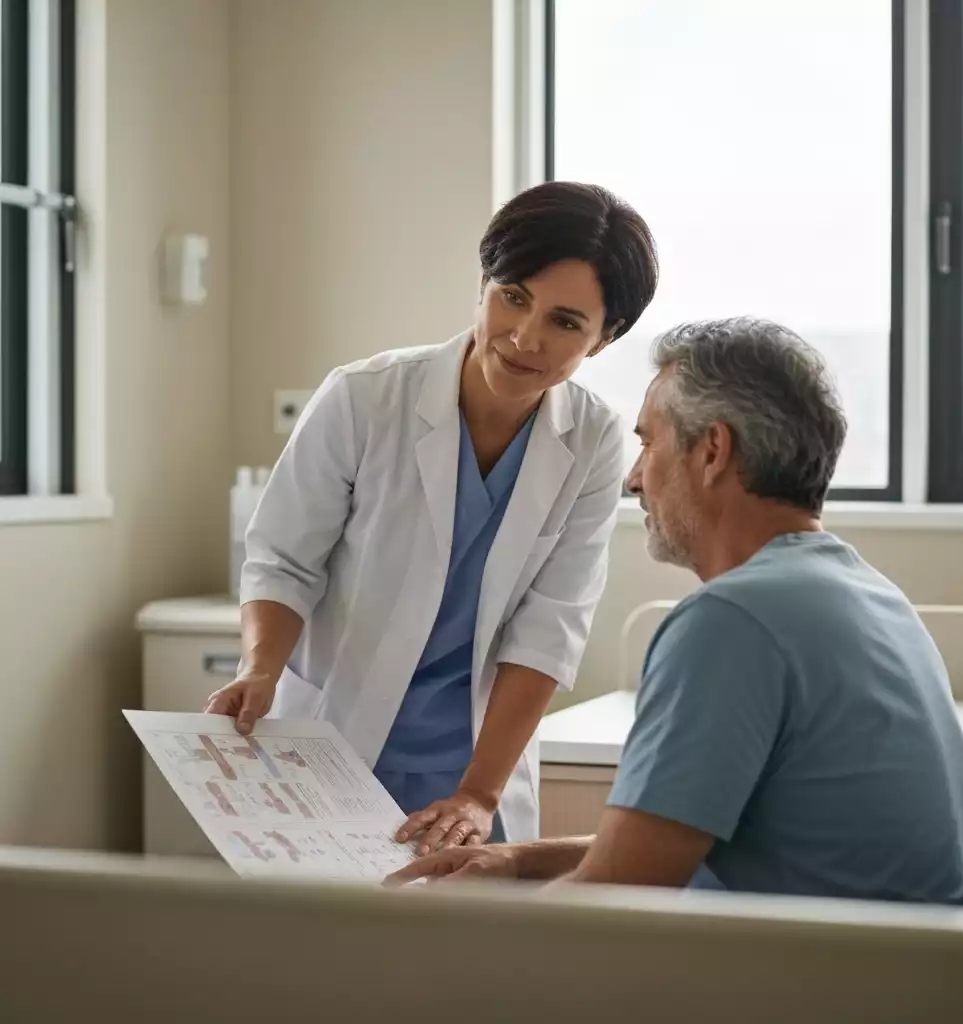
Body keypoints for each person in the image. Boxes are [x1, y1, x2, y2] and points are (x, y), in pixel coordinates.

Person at [388, 317, 963, 903]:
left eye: (648, 442)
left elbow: (616, 895)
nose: (633, 480)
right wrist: (519, 859)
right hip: (918, 969)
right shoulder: (867, 594)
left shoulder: (731, 622)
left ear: (712, 452)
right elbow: (664, 846)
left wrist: (465, 931)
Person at [204, 181, 659, 850]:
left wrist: (478, 793)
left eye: (565, 322)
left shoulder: (593, 441)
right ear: (483, 283)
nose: (524, 336)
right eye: (514, 297)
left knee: (465, 950)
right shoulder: (365, 397)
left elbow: (548, 628)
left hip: (474, 759)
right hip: (334, 730)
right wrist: (261, 668)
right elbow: (283, 558)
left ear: (602, 338)